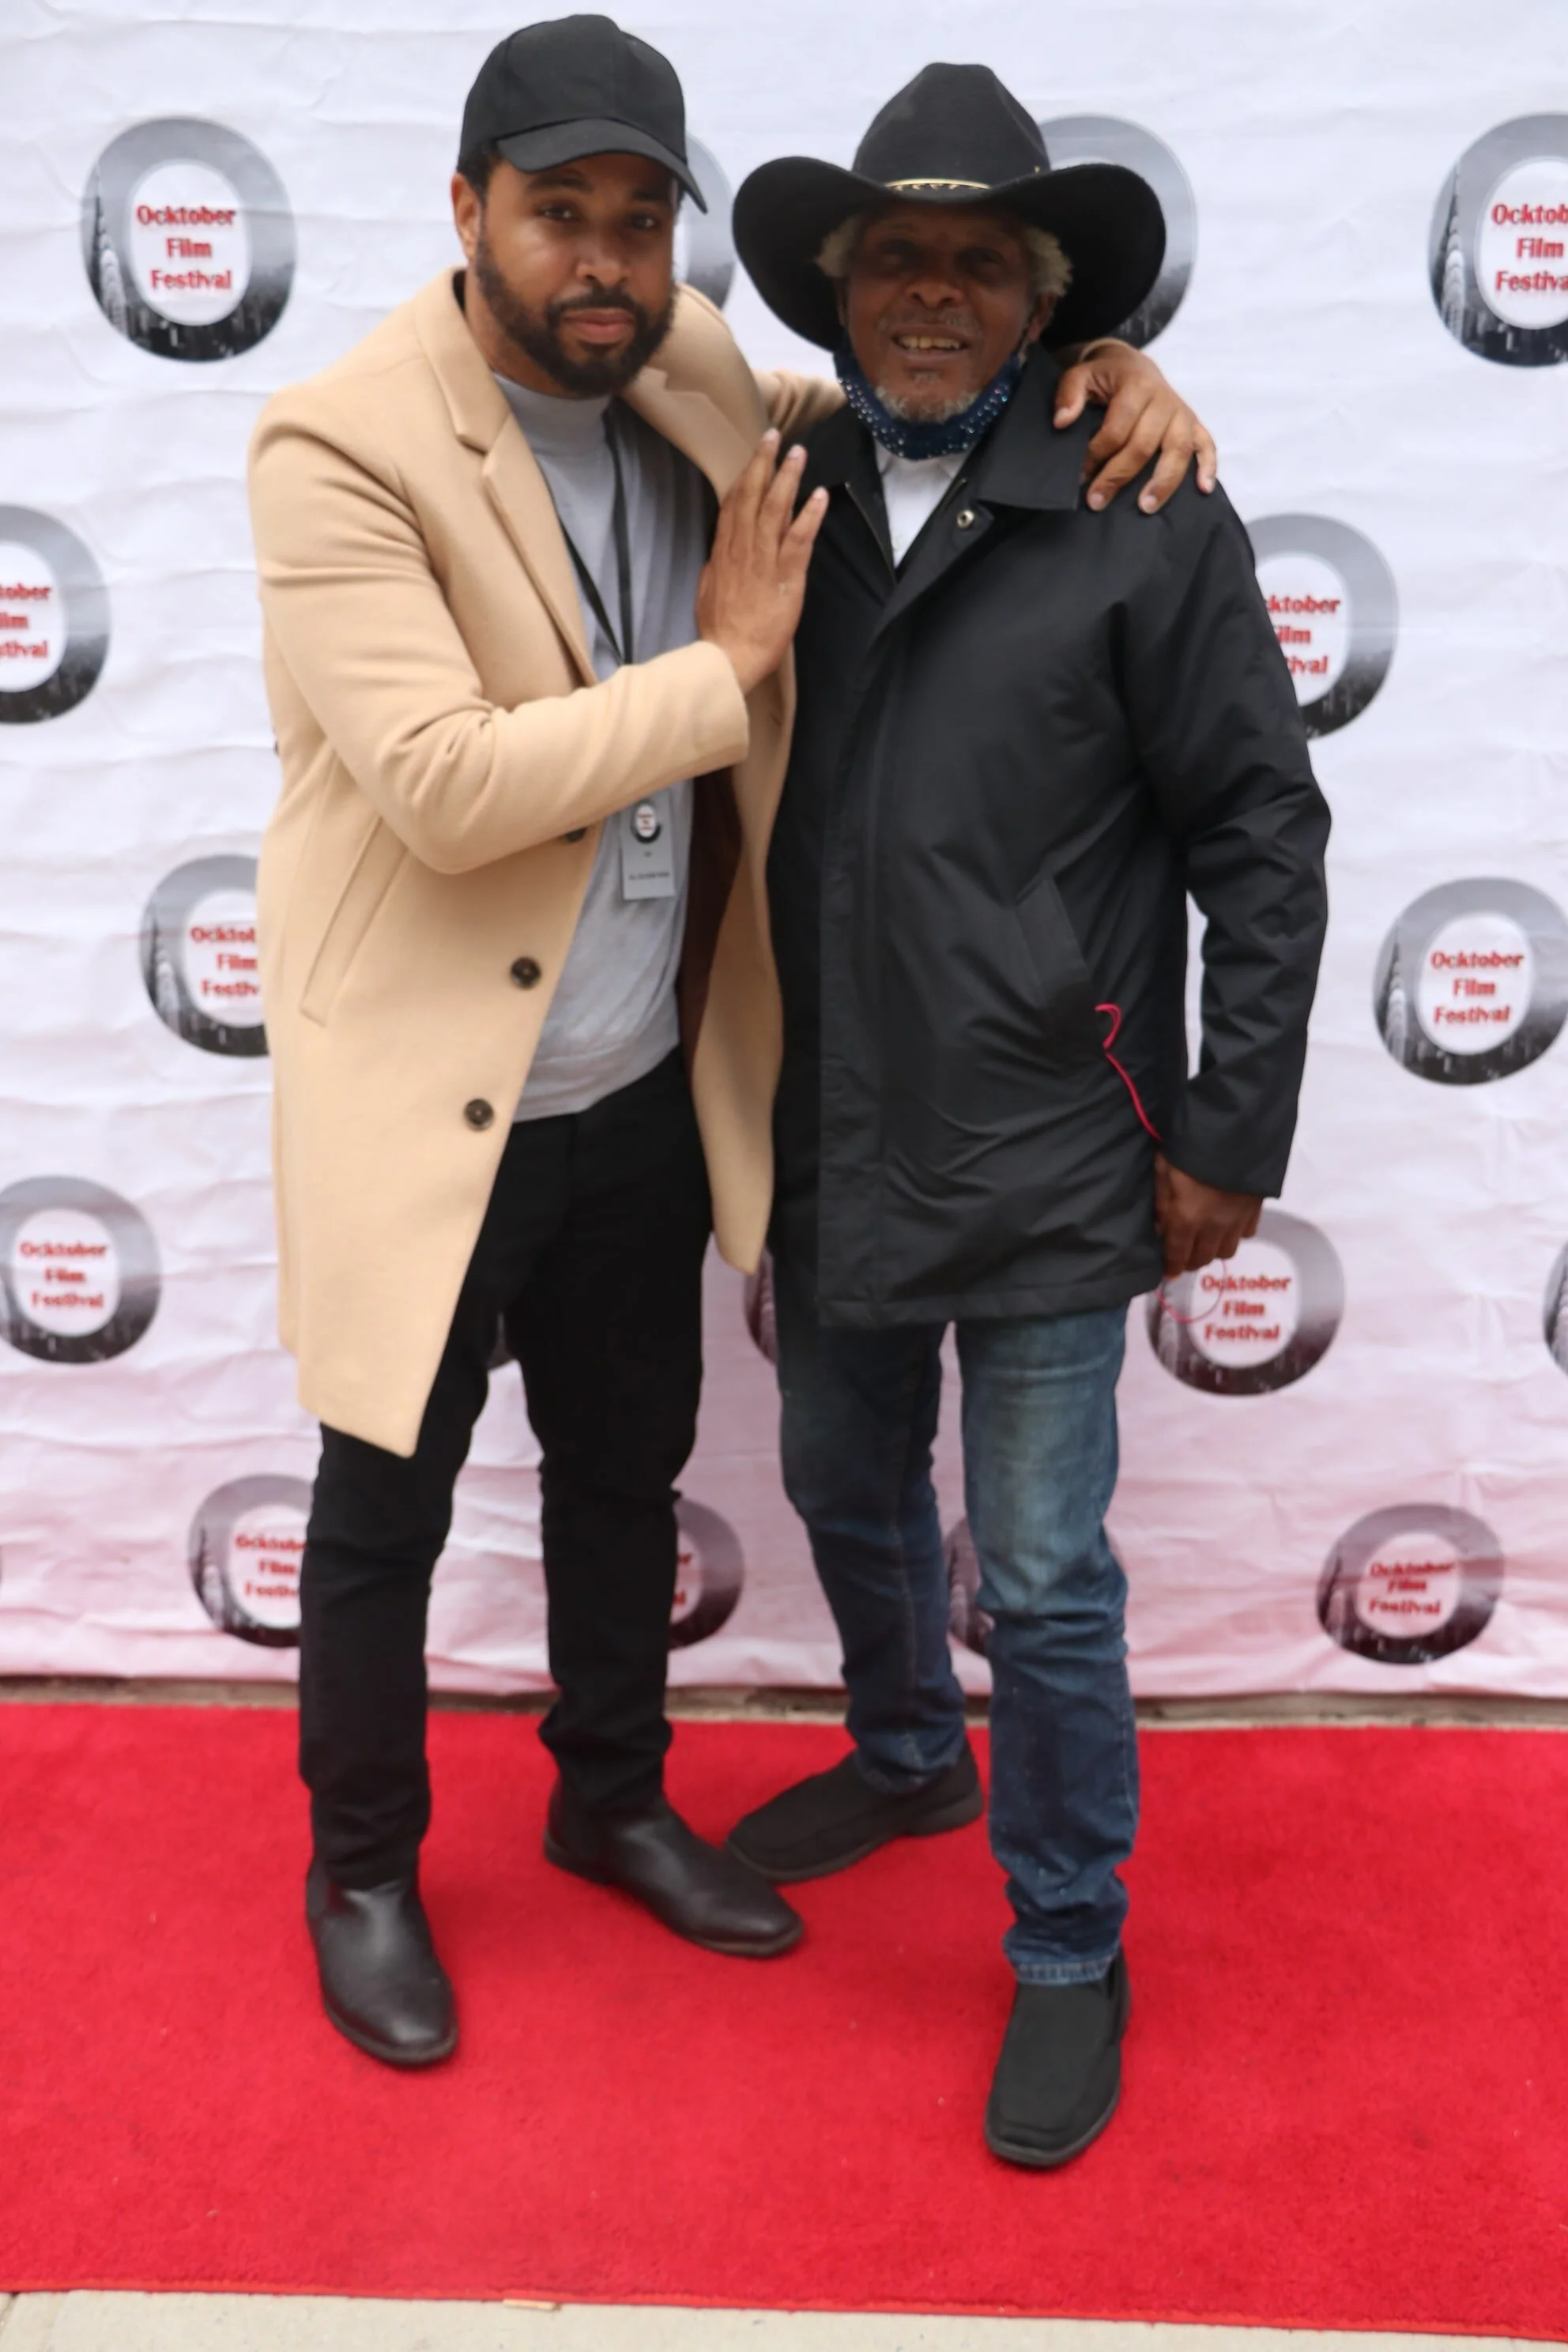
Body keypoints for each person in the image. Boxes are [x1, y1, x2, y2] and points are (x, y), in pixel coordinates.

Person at [247, 13, 1216, 2070]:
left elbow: (898, 392)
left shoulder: (681, 367)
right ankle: (364, 1871)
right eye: (557, 215)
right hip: (434, 1097)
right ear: (467, 212)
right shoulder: (334, 445)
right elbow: (443, 785)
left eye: (638, 217)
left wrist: (1106, 368)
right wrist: (731, 666)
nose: (601, 258)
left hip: (646, 1084)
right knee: (384, 1509)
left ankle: (609, 1800)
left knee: (623, 1479)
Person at [724, 65, 1330, 2167]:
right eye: (895, 254)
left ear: (1047, 302)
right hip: (831, 1135)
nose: (931, 292)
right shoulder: (776, 478)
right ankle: (909, 1752)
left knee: (1051, 1575)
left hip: (1064, 1148)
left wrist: (1230, 1129)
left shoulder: (1145, 502)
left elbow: (1261, 830)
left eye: (978, 260)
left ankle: (1071, 1940)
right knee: (839, 1479)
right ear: (836, 287)